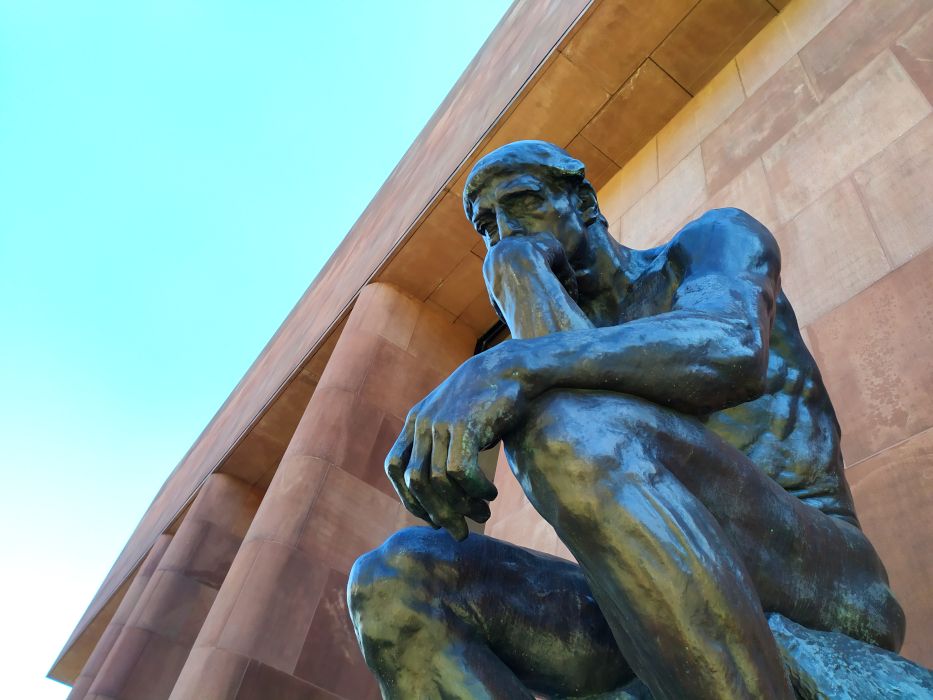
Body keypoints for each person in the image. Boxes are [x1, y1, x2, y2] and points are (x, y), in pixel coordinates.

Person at [347, 140, 905, 699]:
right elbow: (569, 399)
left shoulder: (712, 242)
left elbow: (730, 348)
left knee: (562, 428)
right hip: (669, 593)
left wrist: (510, 361)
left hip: (819, 564)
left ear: (585, 203)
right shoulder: (550, 332)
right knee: (393, 581)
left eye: (520, 203)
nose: (504, 232)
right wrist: (516, 276)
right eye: (486, 227)